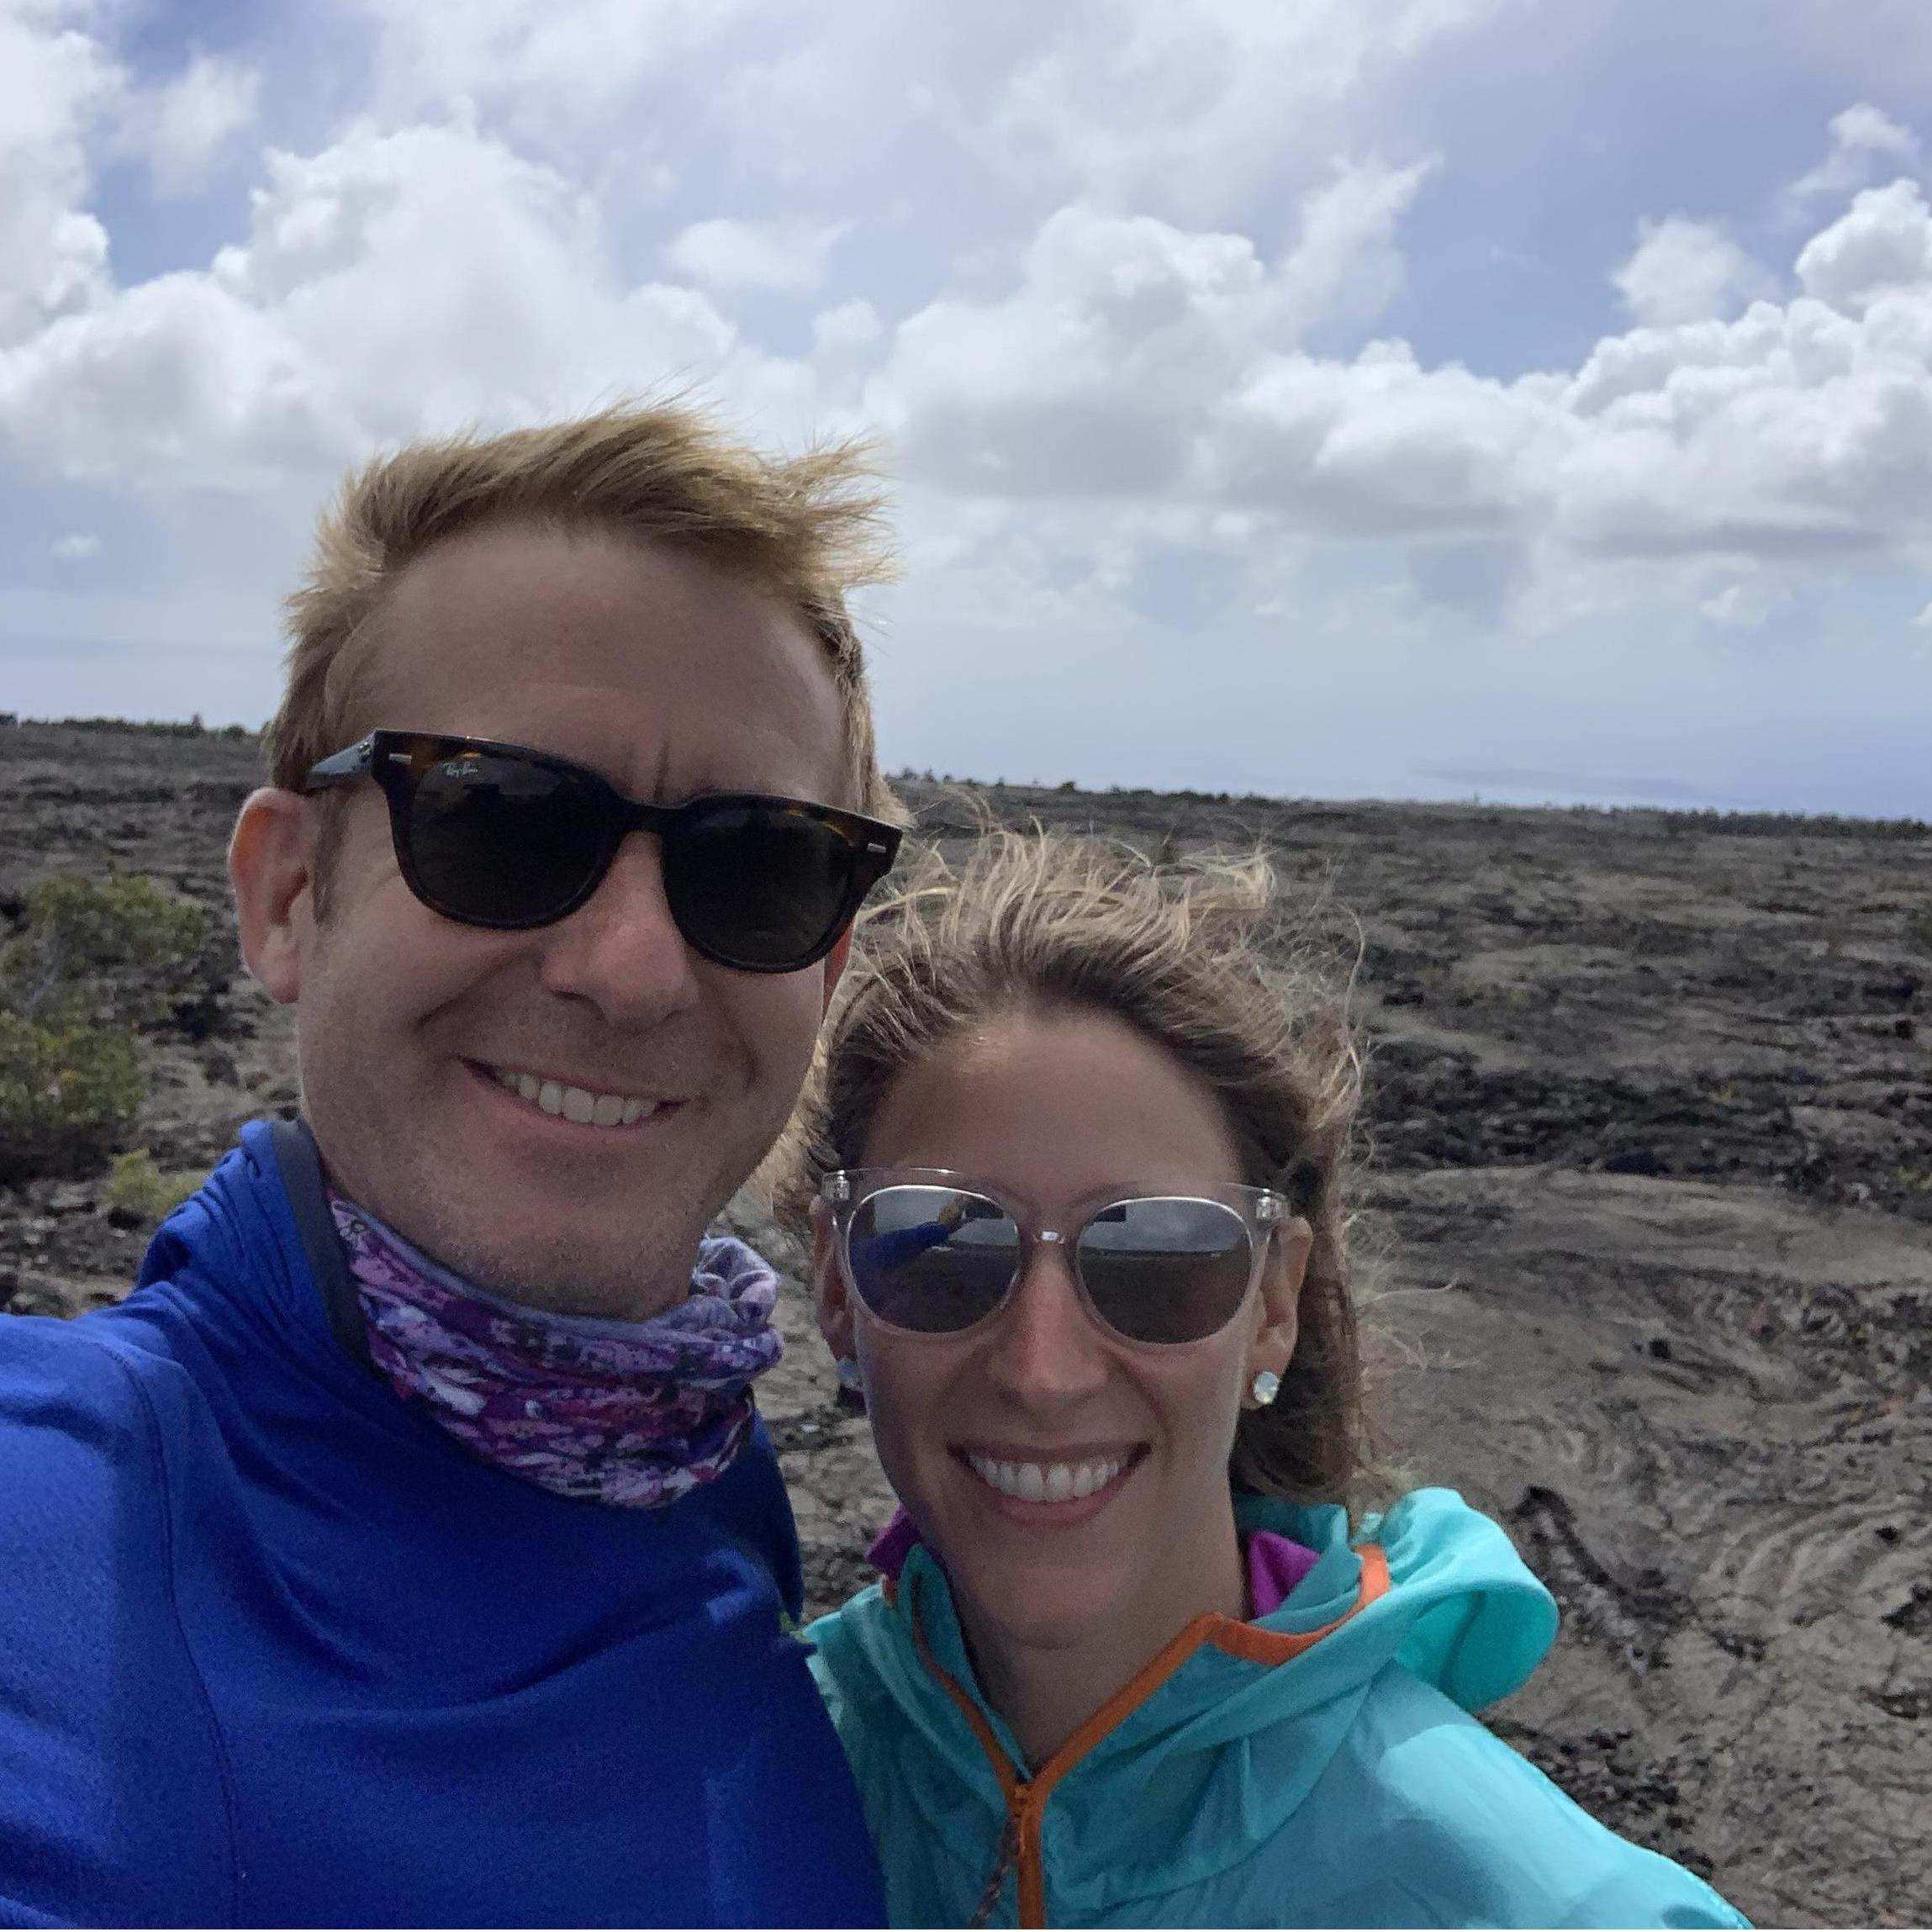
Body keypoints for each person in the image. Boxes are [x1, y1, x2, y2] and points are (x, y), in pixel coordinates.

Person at [0, 405, 904, 1927]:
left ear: (826, 961)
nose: (629, 968)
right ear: (290, 896)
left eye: (758, 864)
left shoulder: (701, 1479)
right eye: (500, 820)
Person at [779, 831, 1750, 1929]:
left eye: (1154, 1258)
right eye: (942, 1249)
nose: (1041, 1370)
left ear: (1273, 1305)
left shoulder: (1547, 1906)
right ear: (832, 1283)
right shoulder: (730, 1789)